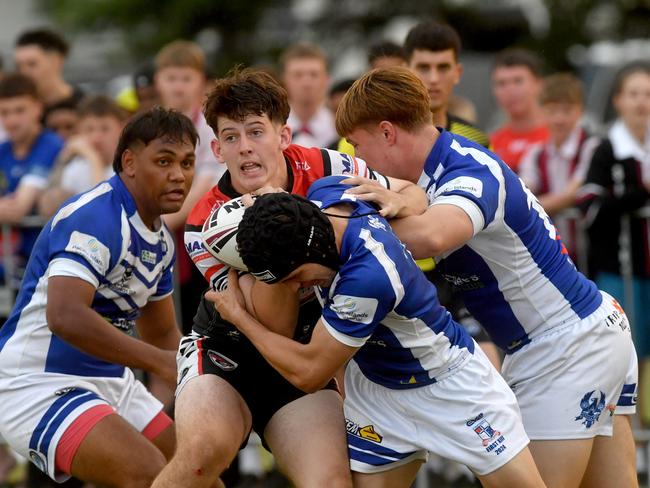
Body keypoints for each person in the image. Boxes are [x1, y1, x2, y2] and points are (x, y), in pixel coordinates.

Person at [336, 67, 638, 488]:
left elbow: (428, 236)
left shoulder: (469, 170)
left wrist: (336, 228)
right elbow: (415, 202)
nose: (361, 163)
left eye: (360, 146)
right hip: (580, 333)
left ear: (388, 133)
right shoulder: (436, 167)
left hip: (564, 347)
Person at [151, 67, 427, 488]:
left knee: (331, 483)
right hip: (229, 350)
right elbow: (266, 321)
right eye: (231, 137)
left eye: (256, 132)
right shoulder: (203, 223)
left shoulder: (324, 164)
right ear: (216, 148)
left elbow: (415, 194)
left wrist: (393, 197)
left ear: (284, 137)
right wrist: (280, 251)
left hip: (303, 349)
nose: (245, 149)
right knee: (203, 453)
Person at [207, 180, 546, 488]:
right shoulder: (327, 194)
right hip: (377, 392)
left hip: (452, 386)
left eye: (295, 276)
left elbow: (308, 372)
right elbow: (408, 186)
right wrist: (400, 196)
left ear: (312, 250)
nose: (297, 288)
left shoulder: (367, 278)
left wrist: (240, 317)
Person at [0, 106, 196, 486]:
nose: (179, 175)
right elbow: (65, 316)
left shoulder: (160, 240)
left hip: (109, 381)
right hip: (37, 383)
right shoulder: (96, 216)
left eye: (188, 163)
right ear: (129, 162)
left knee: (199, 475)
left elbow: (161, 336)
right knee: (150, 477)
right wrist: (160, 362)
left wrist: (198, 382)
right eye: (164, 161)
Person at [578, 63, 650, 424]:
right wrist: (637, 197)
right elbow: (589, 207)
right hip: (620, 269)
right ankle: (624, 432)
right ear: (619, 101)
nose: (642, 102)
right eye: (634, 94)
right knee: (623, 353)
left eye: (648, 94)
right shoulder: (607, 148)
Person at [518, 73, 600, 263]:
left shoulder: (592, 147)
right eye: (552, 111)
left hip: (591, 251)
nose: (559, 119)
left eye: (566, 110)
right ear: (542, 111)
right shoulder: (536, 153)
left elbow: (573, 194)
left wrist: (533, 208)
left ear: (580, 111)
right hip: (554, 254)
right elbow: (524, 192)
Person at [0, 73, 63, 283]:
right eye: (4, 112)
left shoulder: (50, 144)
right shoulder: (2, 151)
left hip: (43, 266)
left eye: (19, 110)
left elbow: (19, 207)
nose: (12, 120)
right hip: (9, 265)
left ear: (38, 108)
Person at [39, 95, 129, 218]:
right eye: (89, 129)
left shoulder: (128, 168)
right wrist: (63, 159)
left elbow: (104, 206)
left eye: (105, 129)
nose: (96, 137)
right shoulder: (76, 167)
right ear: (79, 131)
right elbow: (47, 208)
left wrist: (93, 158)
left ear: (121, 130)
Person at [404, 20, 488, 147]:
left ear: (457, 73)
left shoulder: (477, 141)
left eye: (443, 68)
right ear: (405, 71)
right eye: (424, 68)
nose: (434, 79)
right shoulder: (382, 137)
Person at [490, 48, 549, 172]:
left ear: (539, 84)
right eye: (501, 83)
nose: (510, 90)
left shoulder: (558, 136)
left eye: (518, 81)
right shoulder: (490, 144)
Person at [14, 28, 84, 122]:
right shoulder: (15, 114)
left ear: (56, 61)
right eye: (19, 66)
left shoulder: (85, 107)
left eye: (32, 64)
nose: (24, 72)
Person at [281, 42, 338, 149]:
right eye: (298, 75)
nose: (306, 82)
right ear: (285, 80)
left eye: (314, 74)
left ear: (327, 80)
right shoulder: (273, 127)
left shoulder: (339, 129)